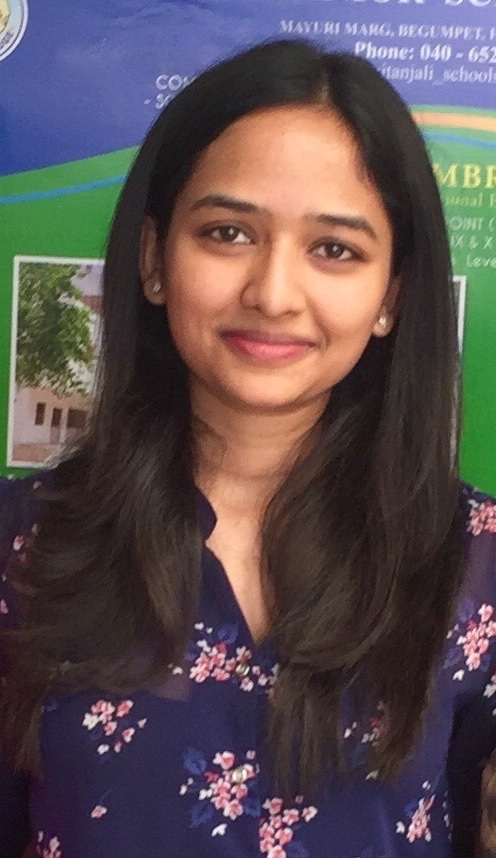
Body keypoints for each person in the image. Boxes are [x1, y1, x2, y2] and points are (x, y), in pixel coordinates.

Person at [0, 38, 495, 858]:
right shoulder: (25, 545)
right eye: (228, 233)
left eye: (334, 249)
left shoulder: (472, 563)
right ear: (155, 260)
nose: (272, 293)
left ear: (393, 295)